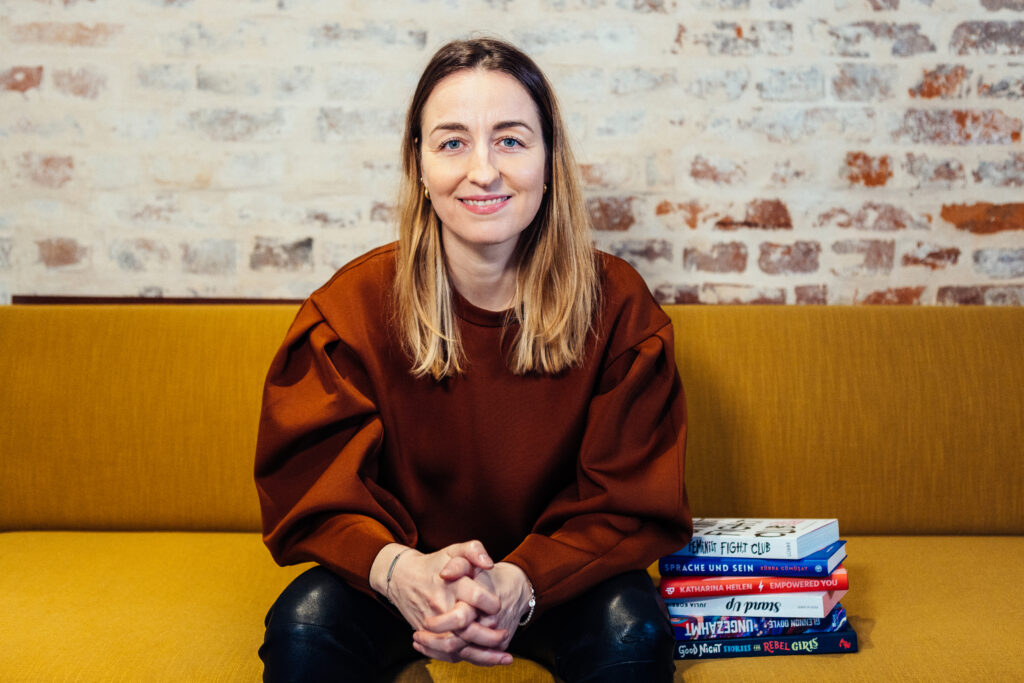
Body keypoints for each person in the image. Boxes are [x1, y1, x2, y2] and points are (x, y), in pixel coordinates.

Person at [254, 37, 692, 682]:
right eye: (453, 142)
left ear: (549, 160)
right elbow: (312, 486)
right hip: (394, 583)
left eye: (511, 140)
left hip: (560, 585)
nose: (483, 171)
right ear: (421, 166)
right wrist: (400, 571)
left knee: (635, 631)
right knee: (305, 622)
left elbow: (629, 499)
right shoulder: (349, 307)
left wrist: (522, 579)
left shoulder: (618, 306)